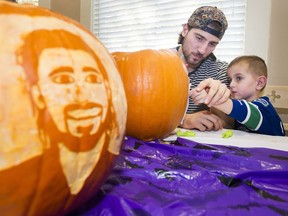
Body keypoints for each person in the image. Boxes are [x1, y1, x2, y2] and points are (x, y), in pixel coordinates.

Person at [191, 55, 285, 136]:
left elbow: (244, 111)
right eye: (229, 79)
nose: (231, 84)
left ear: (259, 83)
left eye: (239, 78)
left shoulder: (264, 107)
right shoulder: (238, 111)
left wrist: (211, 98)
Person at [174, 6, 232, 131]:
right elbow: (142, 111)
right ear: (185, 30)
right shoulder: (158, 63)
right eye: (199, 38)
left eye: (212, 44)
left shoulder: (221, 71)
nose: (202, 50)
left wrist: (216, 101)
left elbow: (227, 123)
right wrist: (184, 120)